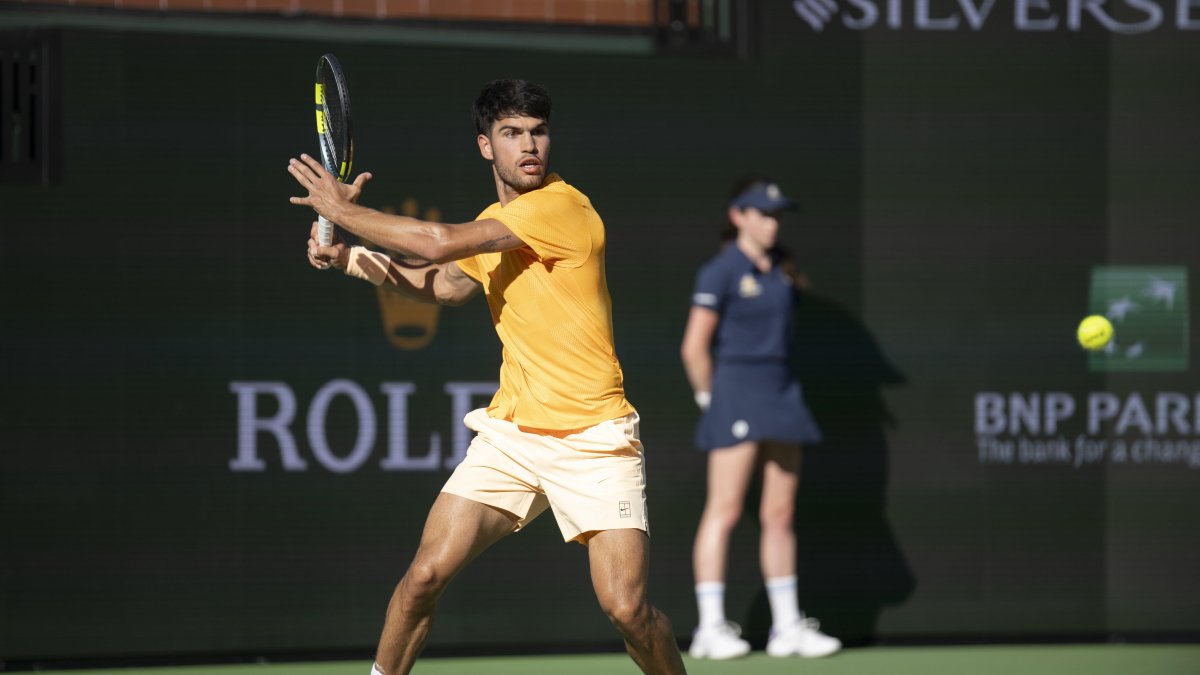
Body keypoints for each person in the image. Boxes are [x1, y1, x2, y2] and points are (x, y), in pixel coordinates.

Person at [287, 79, 687, 675]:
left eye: (538, 132)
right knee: (424, 575)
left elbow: (439, 243)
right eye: (512, 133)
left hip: (595, 438)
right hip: (514, 436)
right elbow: (446, 285)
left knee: (626, 609)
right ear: (485, 146)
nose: (529, 146)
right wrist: (349, 256)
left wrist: (342, 212)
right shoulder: (497, 220)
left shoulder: (562, 208)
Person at [679, 178, 842, 660]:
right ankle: (710, 628)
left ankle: (787, 627)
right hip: (736, 395)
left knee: (780, 513)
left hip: (782, 394)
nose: (772, 223)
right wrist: (711, 398)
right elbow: (693, 348)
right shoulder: (720, 272)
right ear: (738, 216)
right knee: (724, 511)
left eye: (777, 216)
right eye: (763, 214)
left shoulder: (781, 271)